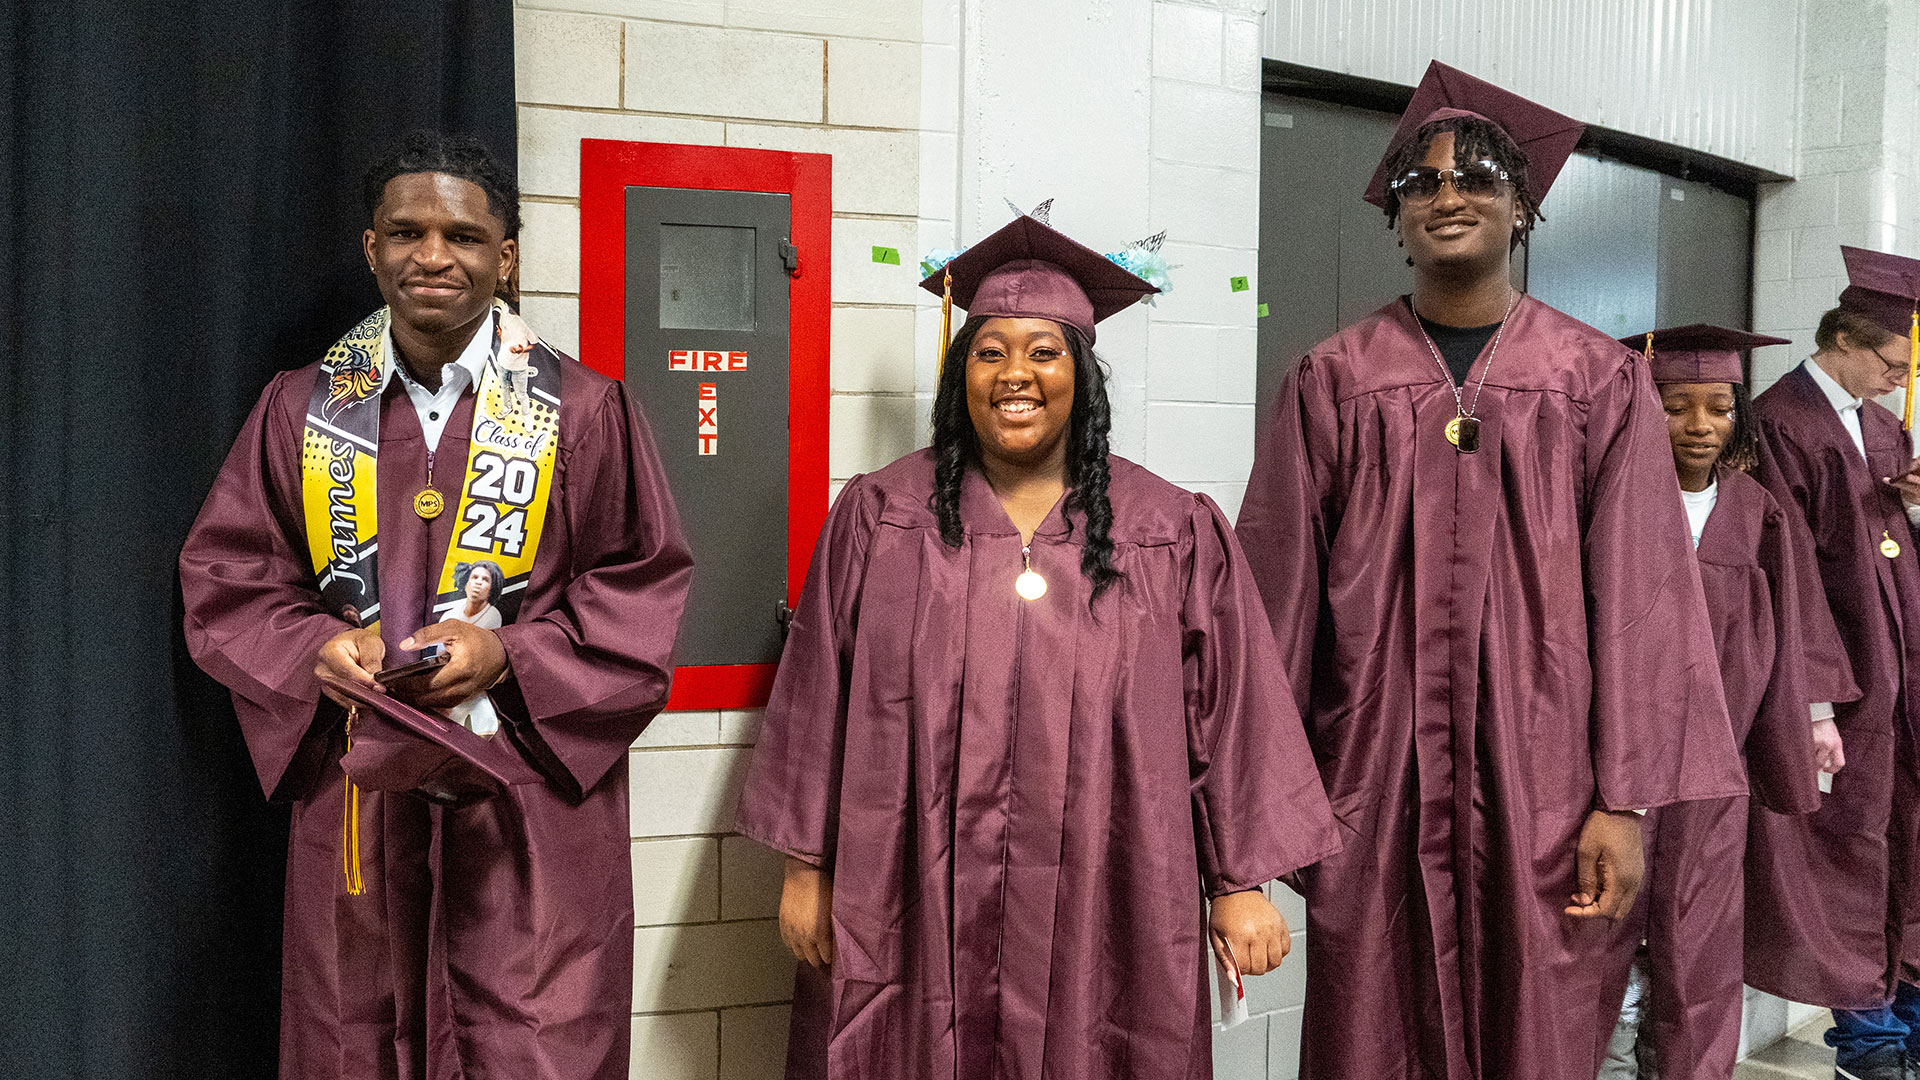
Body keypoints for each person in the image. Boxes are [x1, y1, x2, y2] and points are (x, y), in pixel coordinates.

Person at [735, 209, 1339, 1079]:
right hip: (907, 890)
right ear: (961, 372)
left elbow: (1229, 710)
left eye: (1044, 352)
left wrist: (1241, 883)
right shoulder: (880, 516)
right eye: (990, 351)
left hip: (1110, 885)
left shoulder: (1170, 530)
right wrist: (807, 867)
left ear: (1082, 376)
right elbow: (817, 698)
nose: (1015, 374)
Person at [1233, 61, 1746, 1080]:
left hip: (1549, 784)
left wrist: (1624, 802)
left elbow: (1644, 602)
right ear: (1396, 213)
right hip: (1374, 775)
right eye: (1421, 183)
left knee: (1541, 1022)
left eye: (1476, 176)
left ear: (1522, 206)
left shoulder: (1595, 379)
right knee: (1369, 1026)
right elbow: (1273, 600)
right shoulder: (1336, 380)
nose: (1448, 195)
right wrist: (1266, 811)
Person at [179, 130, 692, 1079]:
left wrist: (511, 657)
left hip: (525, 797)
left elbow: (640, 584)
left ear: (507, 257)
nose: (432, 257)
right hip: (358, 794)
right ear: (370, 250)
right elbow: (230, 578)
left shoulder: (580, 409)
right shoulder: (304, 408)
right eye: (405, 233)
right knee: (354, 1039)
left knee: (534, 1041)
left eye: (462, 236)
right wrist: (313, 651)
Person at [1596, 325, 1857, 1080]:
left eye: (1718, 407)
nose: (1700, 425)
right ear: (1646, 408)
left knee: (1702, 954)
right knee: (1604, 946)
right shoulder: (1610, 504)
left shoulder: (1755, 511)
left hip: (1716, 772)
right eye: (1677, 407)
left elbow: (1795, 622)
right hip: (1619, 771)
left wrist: (1813, 717)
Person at [1746, 246, 1920, 1080]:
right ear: (1847, 339)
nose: (1899, 379)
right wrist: (1813, 702)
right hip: (1845, 685)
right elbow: (1786, 572)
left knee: (1910, 845)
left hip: (1905, 679)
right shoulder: (1781, 422)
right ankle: (1868, 1037)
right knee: (1846, 851)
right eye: (1892, 363)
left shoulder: (1884, 425)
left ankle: (1908, 1011)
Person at [451, 559, 505, 629]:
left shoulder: (493, 616)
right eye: (475, 577)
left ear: (492, 589)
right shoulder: (451, 614)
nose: (478, 582)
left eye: (485, 579)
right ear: (466, 584)